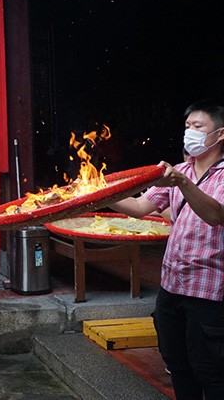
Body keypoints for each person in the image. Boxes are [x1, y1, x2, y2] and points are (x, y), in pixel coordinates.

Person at [109, 100, 224, 399]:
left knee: (210, 371)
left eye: (198, 127)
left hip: (209, 293)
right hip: (172, 287)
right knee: (178, 365)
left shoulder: (201, 176)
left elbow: (215, 215)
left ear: (220, 134)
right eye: (187, 127)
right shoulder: (177, 172)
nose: (190, 133)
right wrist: (96, 194)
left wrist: (183, 182)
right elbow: (138, 207)